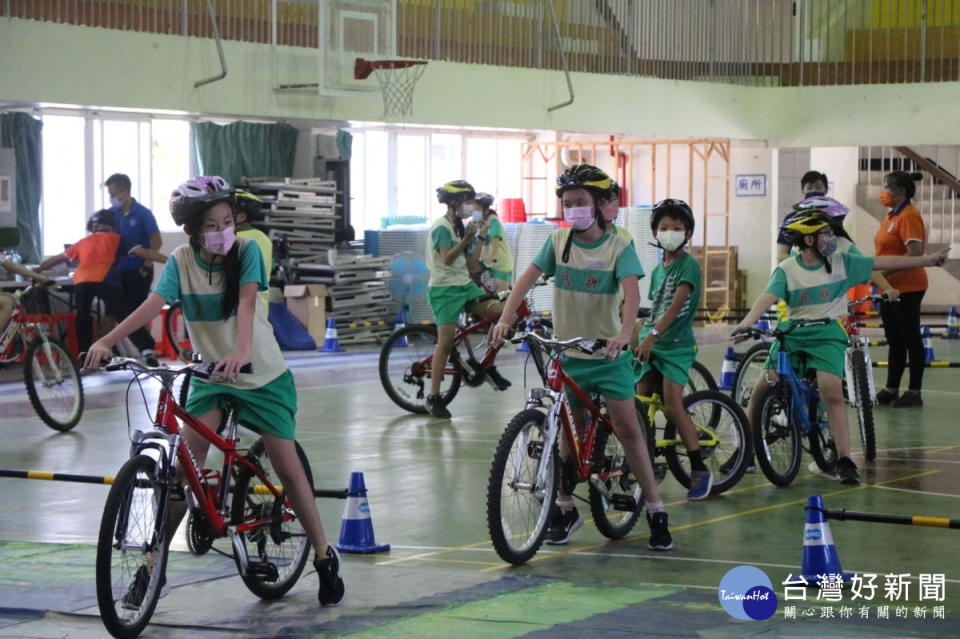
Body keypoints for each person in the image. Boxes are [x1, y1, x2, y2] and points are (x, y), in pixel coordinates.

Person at [83, 176, 345, 606]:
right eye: (212, 224)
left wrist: (241, 352)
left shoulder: (247, 253)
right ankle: (153, 568)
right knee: (183, 470)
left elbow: (245, 304)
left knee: (287, 465)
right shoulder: (181, 261)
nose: (224, 230)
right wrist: (107, 341)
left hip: (260, 375)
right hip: (209, 376)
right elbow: (154, 304)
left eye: (228, 221)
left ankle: (321, 555)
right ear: (192, 229)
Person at [491, 164, 672, 550]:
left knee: (627, 429)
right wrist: (506, 318)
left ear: (599, 205)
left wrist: (624, 334)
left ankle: (655, 508)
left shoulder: (618, 245)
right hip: (568, 354)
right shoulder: (558, 243)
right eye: (567, 203)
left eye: (580, 202)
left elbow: (632, 295)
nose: (572, 209)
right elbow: (526, 279)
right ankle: (564, 507)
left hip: (607, 356)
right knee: (563, 437)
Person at [734, 208, 949, 485]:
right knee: (762, 388)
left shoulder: (841, 263)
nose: (831, 237)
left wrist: (929, 259)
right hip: (793, 334)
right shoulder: (787, 269)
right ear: (809, 240)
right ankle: (748, 450)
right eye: (824, 233)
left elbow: (881, 263)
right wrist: (747, 322)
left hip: (827, 335)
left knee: (831, 390)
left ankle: (845, 459)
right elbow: (767, 297)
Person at [632, 199, 710, 500]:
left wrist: (651, 335)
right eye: (664, 228)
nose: (670, 233)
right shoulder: (657, 270)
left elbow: (675, 308)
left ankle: (699, 466)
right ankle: (643, 460)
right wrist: (637, 332)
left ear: (688, 233)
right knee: (639, 403)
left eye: (677, 228)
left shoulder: (688, 266)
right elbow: (654, 308)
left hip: (676, 346)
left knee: (672, 404)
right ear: (655, 233)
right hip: (654, 343)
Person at [424, 180, 510, 419]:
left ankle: (489, 364)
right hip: (444, 290)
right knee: (445, 342)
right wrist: (467, 238)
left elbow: (471, 265)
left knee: (501, 313)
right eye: (467, 202)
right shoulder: (442, 227)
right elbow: (447, 259)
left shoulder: (462, 227)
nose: (471, 207)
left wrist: (480, 237)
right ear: (454, 203)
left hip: (464, 286)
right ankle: (433, 398)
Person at [35, 209, 166, 361]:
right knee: (125, 315)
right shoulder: (118, 238)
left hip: (82, 281)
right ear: (111, 226)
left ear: (92, 226)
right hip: (107, 280)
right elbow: (146, 253)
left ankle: (84, 353)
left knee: (82, 316)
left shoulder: (83, 242)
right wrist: (170, 260)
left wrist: (38, 269)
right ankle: (146, 349)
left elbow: (57, 259)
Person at [874, 170, 928, 407]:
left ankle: (914, 391)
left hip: (908, 287)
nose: (883, 192)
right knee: (894, 340)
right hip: (888, 287)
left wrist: (882, 274)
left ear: (900, 191)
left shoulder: (909, 216)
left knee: (910, 338)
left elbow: (915, 253)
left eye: (887, 187)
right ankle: (891, 388)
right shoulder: (892, 216)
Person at [106, 173, 162, 357]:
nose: (112, 198)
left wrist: (145, 265)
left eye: (114, 194)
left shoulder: (143, 213)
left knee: (139, 311)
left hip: (139, 270)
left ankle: (147, 352)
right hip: (116, 272)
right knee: (112, 312)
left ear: (126, 191)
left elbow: (156, 242)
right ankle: (106, 351)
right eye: (110, 195)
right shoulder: (110, 214)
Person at [234, 189, 272, 314]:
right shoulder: (266, 240)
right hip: (261, 309)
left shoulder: (233, 240)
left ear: (242, 216)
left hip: (238, 311)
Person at [474, 192, 514, 293]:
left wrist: (490, 257)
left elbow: (495, 240)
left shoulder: (493, 221)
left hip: (499, 262)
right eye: (473, 209)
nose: (474, 212)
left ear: (486, 210)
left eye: (477, 210)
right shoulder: (478, 222)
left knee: (501, 296)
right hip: (485, 261)